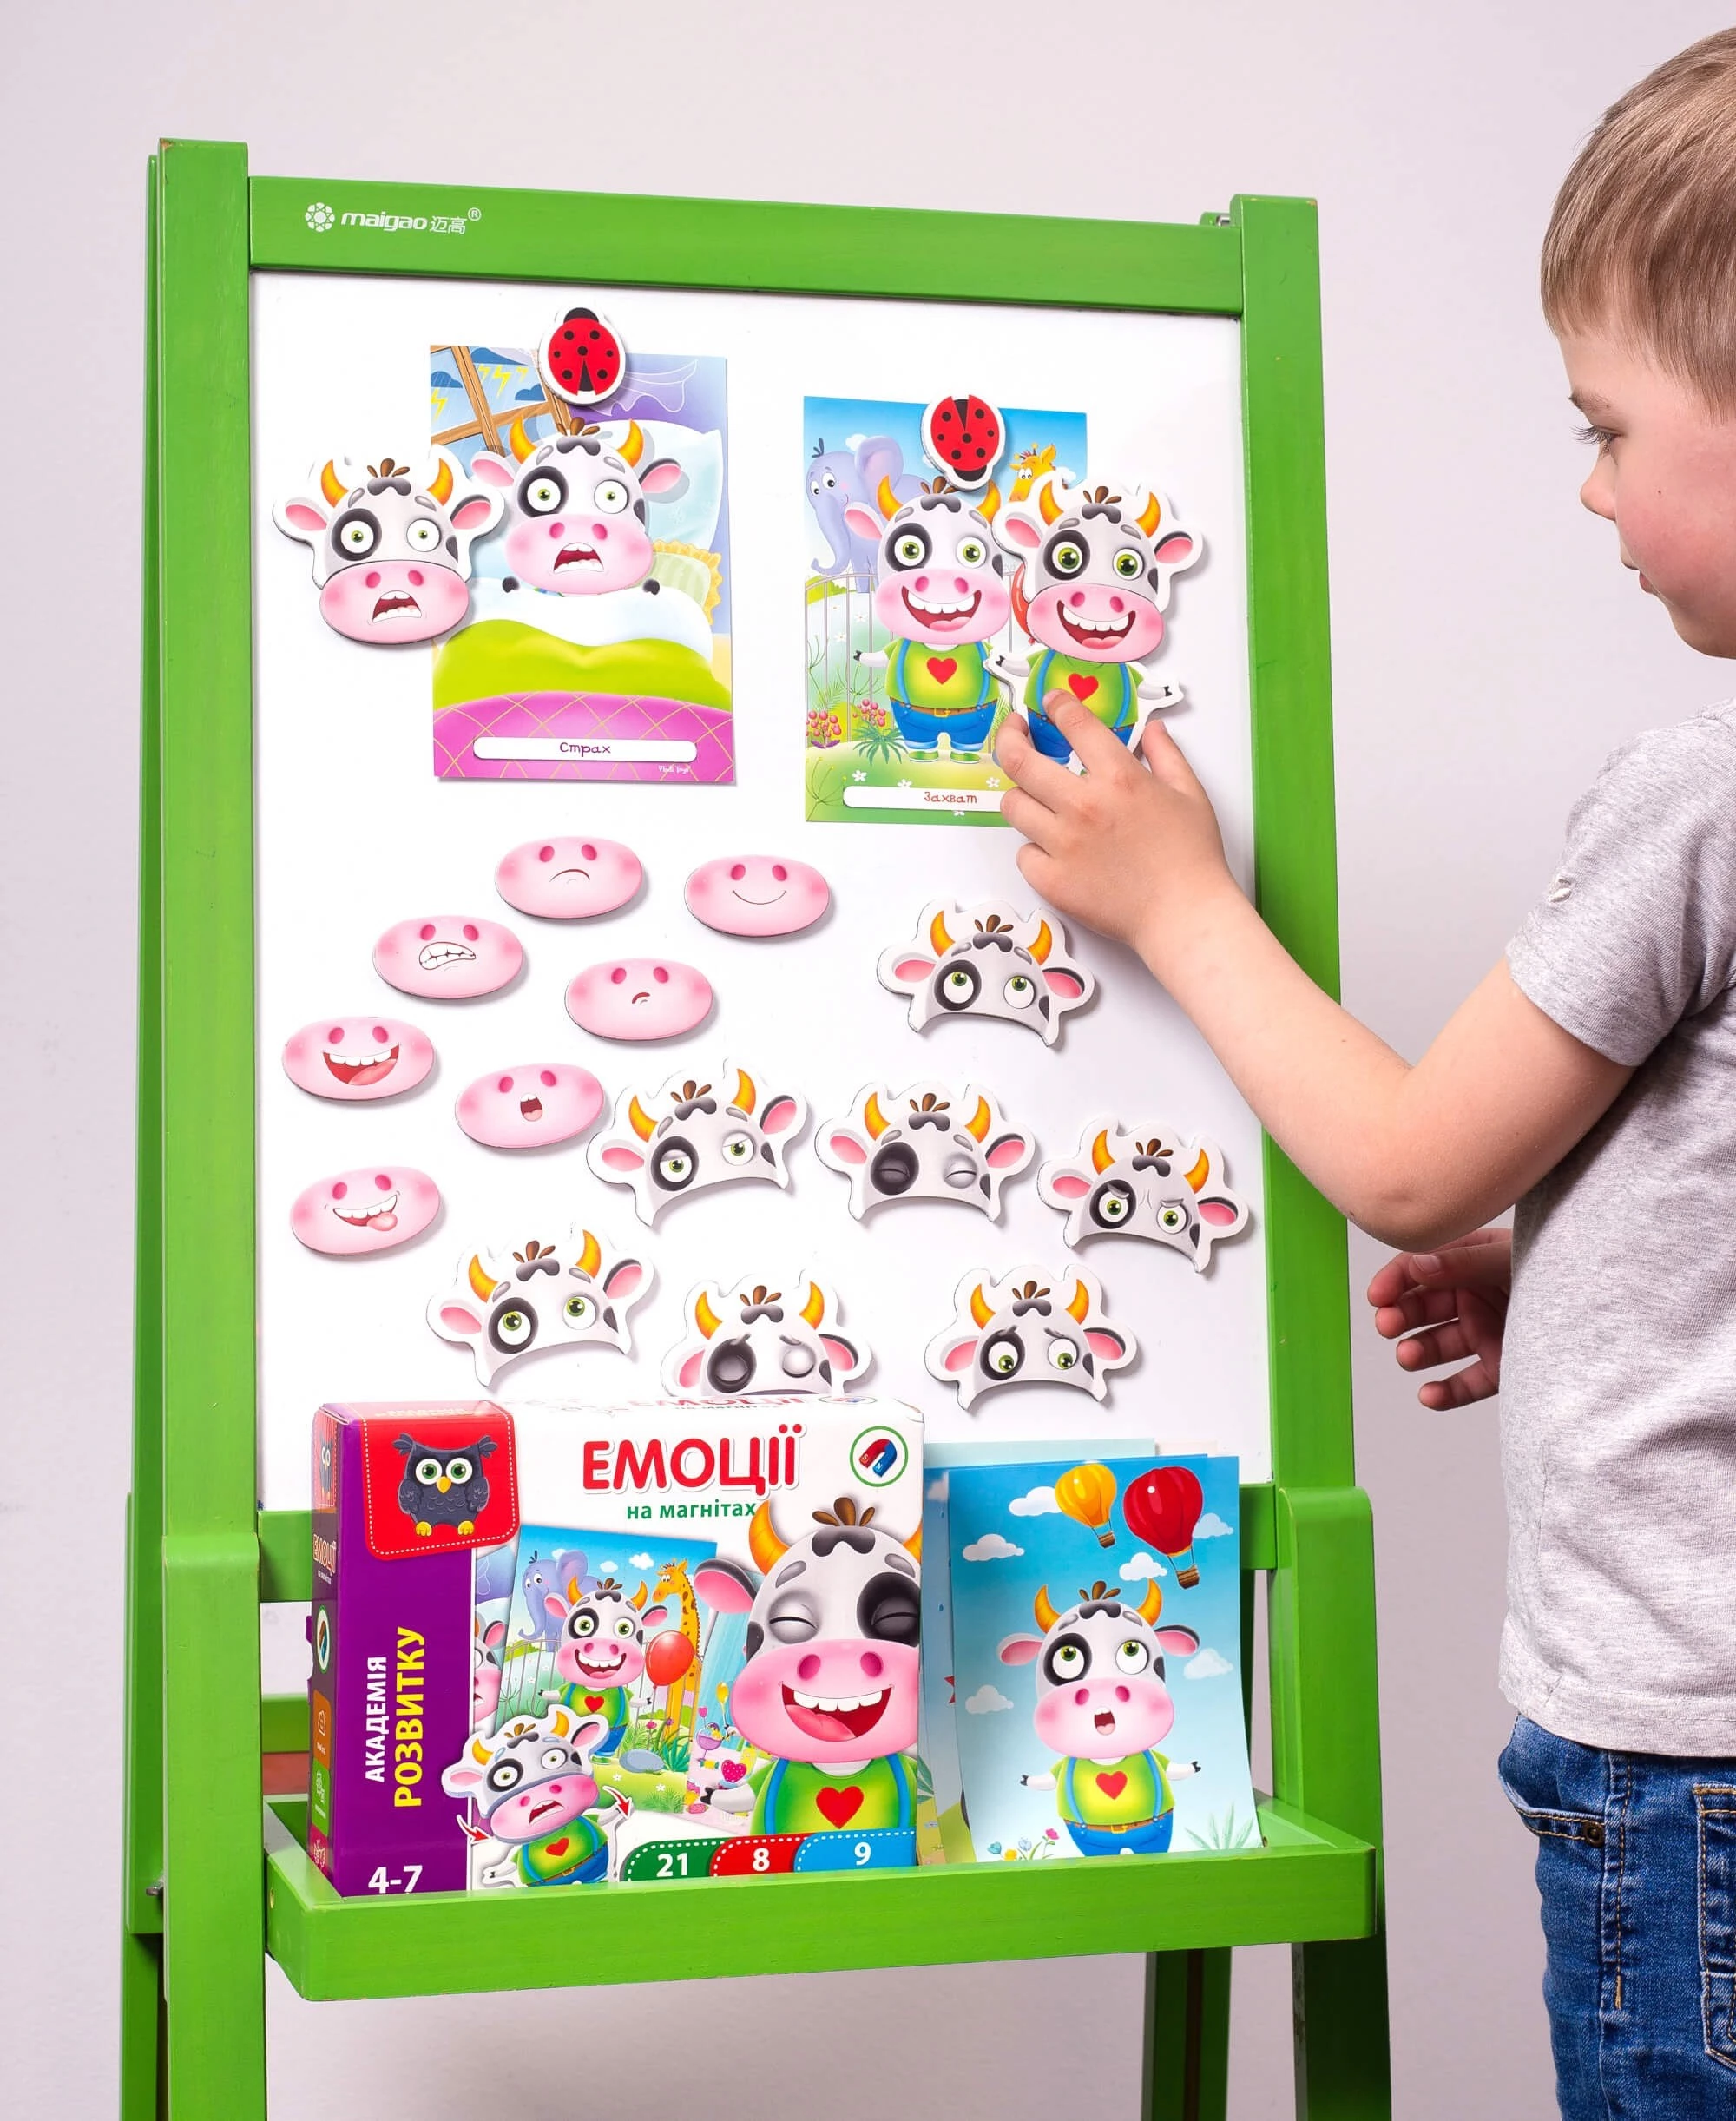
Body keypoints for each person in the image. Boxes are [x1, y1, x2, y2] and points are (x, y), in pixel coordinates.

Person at [994, 32, 1736, 2115]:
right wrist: (1579, 1273)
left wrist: (1175, 902)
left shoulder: (1697, 801)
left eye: (1607, 425)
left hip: (1690, 1760)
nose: (1588, 486)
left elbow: (1406, 1165)